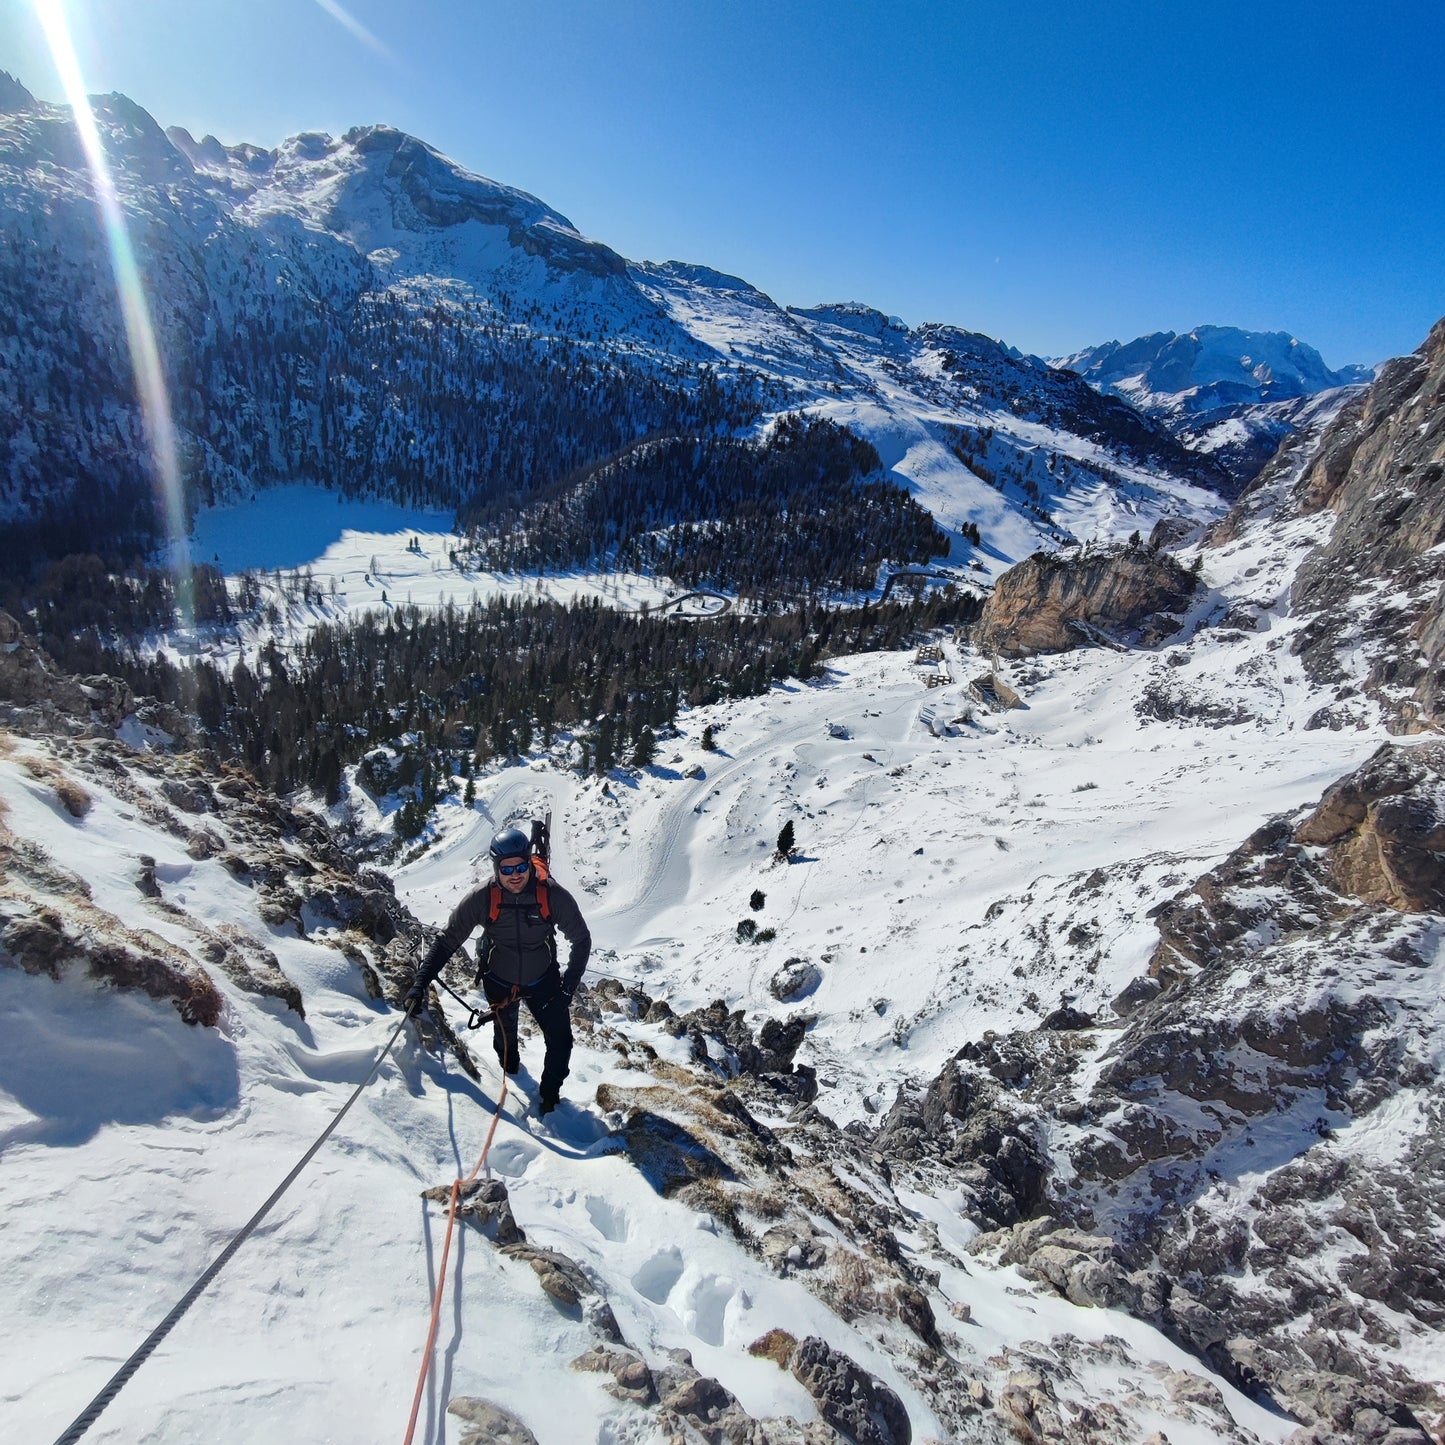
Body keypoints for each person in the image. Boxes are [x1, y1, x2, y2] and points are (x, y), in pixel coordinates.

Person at [403, 825, 590, 1114]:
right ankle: (509, 1066)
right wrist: (420, 982)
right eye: (507, 869)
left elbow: (581, 938)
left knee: (561, 1041)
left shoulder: (551, 895)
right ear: (496, 868)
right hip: (499, 980)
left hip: (543, 979)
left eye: (521, 866)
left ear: (529, 863)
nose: (515, 875)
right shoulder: (483, 898)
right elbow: (448, 939)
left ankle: (550, 1097)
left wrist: (567, 988)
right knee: (505, 1040)